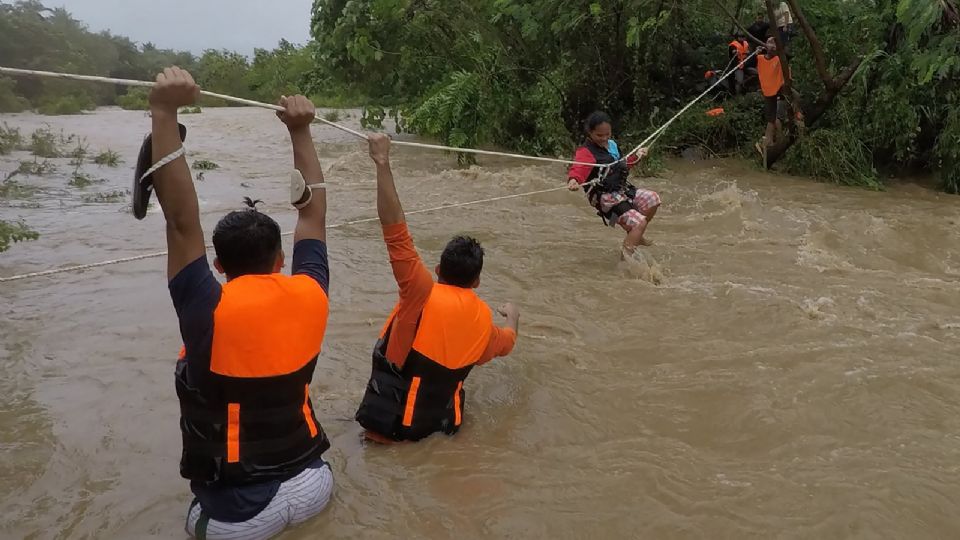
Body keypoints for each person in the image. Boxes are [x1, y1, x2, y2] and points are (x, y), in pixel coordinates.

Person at [144, 67, 334, 539]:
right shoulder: (312, 291)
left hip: (239, 512)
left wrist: (164, 110)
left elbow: (180, 224)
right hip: (313, 483)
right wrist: (301, 129)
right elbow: (313, 210)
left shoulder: (207, 308)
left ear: (219, 266)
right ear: (281, 257)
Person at [354, 133, 520, 443]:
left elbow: (394, 230)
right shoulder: (484, 321)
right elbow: (507, 343)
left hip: (384, 436)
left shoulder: (419, 291)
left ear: (438, 270)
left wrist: (381, 162)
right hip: (441, 435)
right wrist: (512, 315)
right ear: (477, 282)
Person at [566, 111, 660, 253]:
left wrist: (638, 155)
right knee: (640, 223)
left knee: (653, 199)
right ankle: (625, 262)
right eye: (599, 135)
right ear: (590, 133)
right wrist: (574, 180)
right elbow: (578, 168)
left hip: (622, 190)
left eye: (607, 134)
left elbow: (622, 165)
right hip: (605, 199)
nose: (604, 138)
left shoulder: (612, 145)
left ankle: (635, 234)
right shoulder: (586, 152)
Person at [755, 37, 791, 163]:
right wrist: (757, 51)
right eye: (769, 42)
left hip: (780, 91)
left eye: (774, 43)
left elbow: (787, 55)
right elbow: (748, 63)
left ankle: (776, 142)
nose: (771, 45)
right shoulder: (760, 58)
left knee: (777, 118)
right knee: (772, 118)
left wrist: (777, 48)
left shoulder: (780, 58)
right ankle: (769, 141)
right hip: (768, 92)